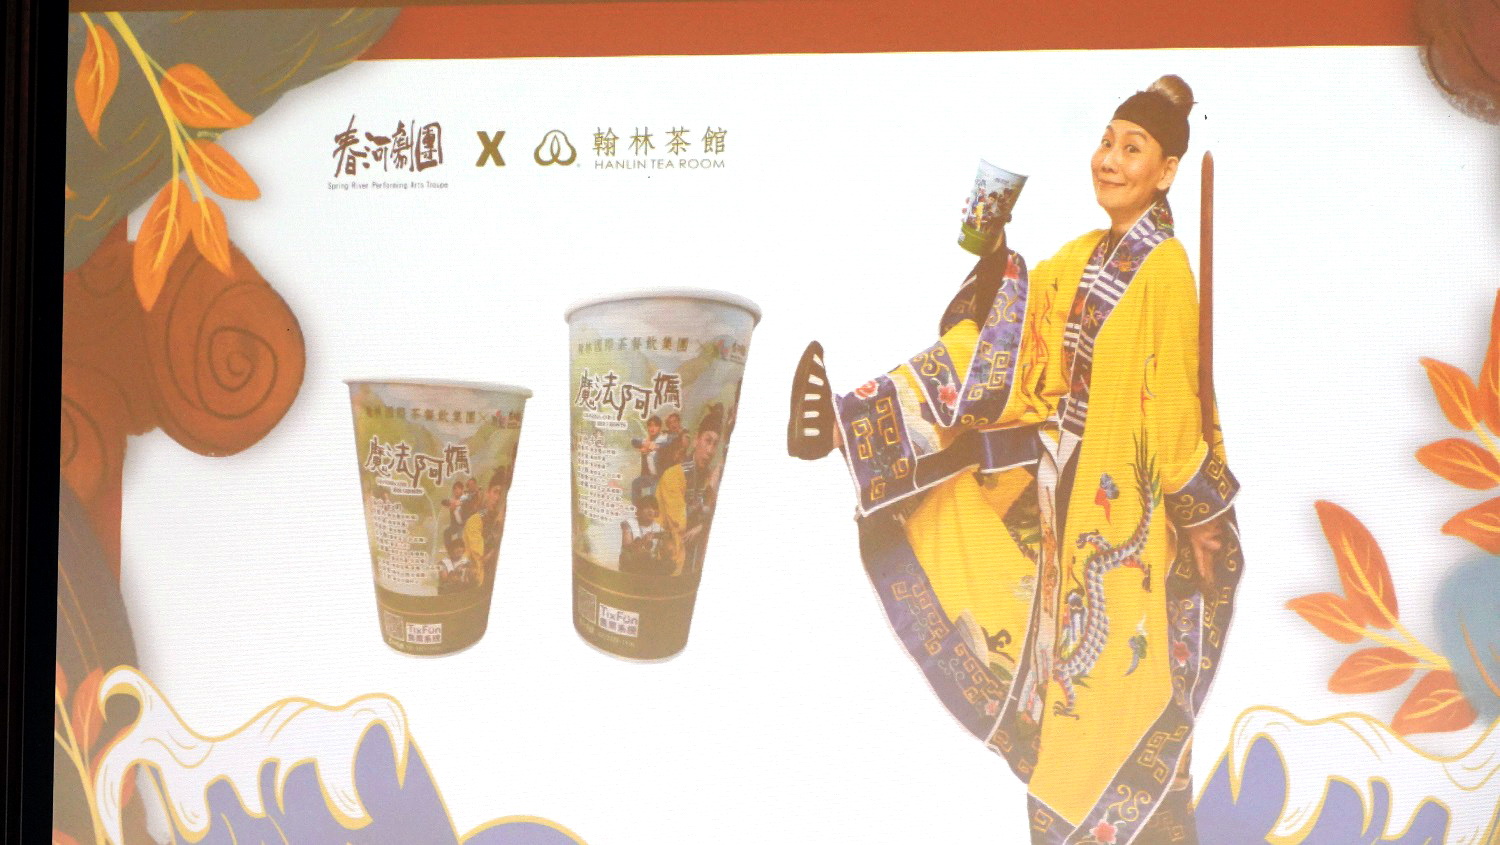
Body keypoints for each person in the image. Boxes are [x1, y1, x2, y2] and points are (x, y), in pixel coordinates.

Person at [789, 75, 1242, 844]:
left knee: (1114, 685)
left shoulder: (1165, 269)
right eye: (1106, 141)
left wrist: (1202, 515)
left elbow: (1173, 411)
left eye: (1132, 148)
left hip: (1127, 525)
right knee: (1063, 674)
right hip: (1064, 503)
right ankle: (850, 423)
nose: (1109, 158)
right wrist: (995, 255)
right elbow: (1023, 335)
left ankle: (1119, 825)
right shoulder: (1086, 256)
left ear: (1166, 170)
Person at [656, 404, 723, 577]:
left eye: (715, 444)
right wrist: (710, 490)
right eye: (707, 441)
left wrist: (702, 526)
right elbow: (680, 524)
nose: (710, 450)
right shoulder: (673, 475)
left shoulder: (709, 476)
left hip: (694, 559)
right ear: (696, 440)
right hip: (667, 556)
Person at [619, 494, 670, 576]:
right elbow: (626, 547)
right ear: (639, 511)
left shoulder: (659, 528)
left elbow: (664, 551)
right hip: (631, 563)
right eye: (646, 507)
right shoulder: (629, 523)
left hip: (650, 566)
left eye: (653, 508)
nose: (650, 511)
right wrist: (642, 541)